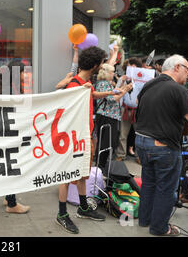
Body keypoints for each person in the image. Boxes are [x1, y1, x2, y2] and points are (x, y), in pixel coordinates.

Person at [57, 46, 123, 234]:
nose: (103, 66)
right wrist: (78, 92)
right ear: (95, 65)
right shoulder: (74, 84)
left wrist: (110, 93)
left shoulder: (87, 83)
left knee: (82, 174)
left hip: (86, 136)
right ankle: (62, 214)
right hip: (73, 138)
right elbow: (65, 106)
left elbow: (92, 94)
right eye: (101, 63)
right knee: (67, 176)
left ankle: (83, 207)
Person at [135, 54, 188, 236]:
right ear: (177, 67)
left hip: (141, 142)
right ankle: (159, 228)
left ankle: (145, 220)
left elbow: (137, 103)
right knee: (166, 189)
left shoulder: (149, 84)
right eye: (187, 69)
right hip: (163, 146)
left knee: (149, 183)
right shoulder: (179, 90)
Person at [0, 60, 31, 214]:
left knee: (9, 165)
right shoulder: (10, 89)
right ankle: (12, 204)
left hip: (8, 131)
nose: (27, 75)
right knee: (12, 165)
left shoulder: (10, 87)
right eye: (24, 72)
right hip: (9, 132)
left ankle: (8, 197)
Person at [94, 63, 132, 169]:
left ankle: (101, 164)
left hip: (110, 115)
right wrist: (126, 90)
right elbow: (112, 99)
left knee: (108, 142)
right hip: (107, 115)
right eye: (112, 72)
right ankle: (100, 166)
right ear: (107, 73)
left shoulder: (106, 83)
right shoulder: (103, 84)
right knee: (105, 142)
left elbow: (115, 93)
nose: (114, 74)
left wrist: (123, 86)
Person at [117, 57, 142, 161]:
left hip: (138, 110)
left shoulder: (142, 79)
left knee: (139, 135)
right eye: (130, 65)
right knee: (123, 134)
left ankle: (139, 156)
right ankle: (121, 154)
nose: (132, 68)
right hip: (125, 109)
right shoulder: (123, 78)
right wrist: (122, 81)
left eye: (135, 66)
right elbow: (117, 90)